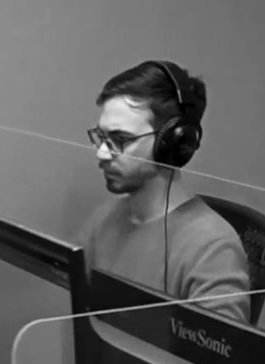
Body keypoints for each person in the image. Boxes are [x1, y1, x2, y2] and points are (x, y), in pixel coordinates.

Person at [80, 60, 250, 322]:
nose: (102, 153)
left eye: (119, 140)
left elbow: (215, 361)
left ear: (170, 143)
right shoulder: (104, 220)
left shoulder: (213, 249)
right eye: (101, 138)